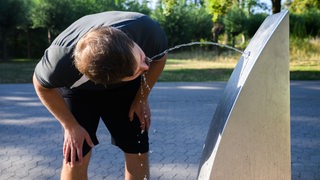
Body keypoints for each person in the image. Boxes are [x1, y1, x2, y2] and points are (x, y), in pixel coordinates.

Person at [33, 11, 167, 180]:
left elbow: (159, 59)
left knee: (137, 149)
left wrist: (141, 97)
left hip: (125, 87)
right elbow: (41, 86)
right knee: (76, 155)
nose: (145, 67)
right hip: (78, 91)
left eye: (141, 57)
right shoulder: (59, 63)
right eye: (139, 69)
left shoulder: (147, 30)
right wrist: (70, 126)